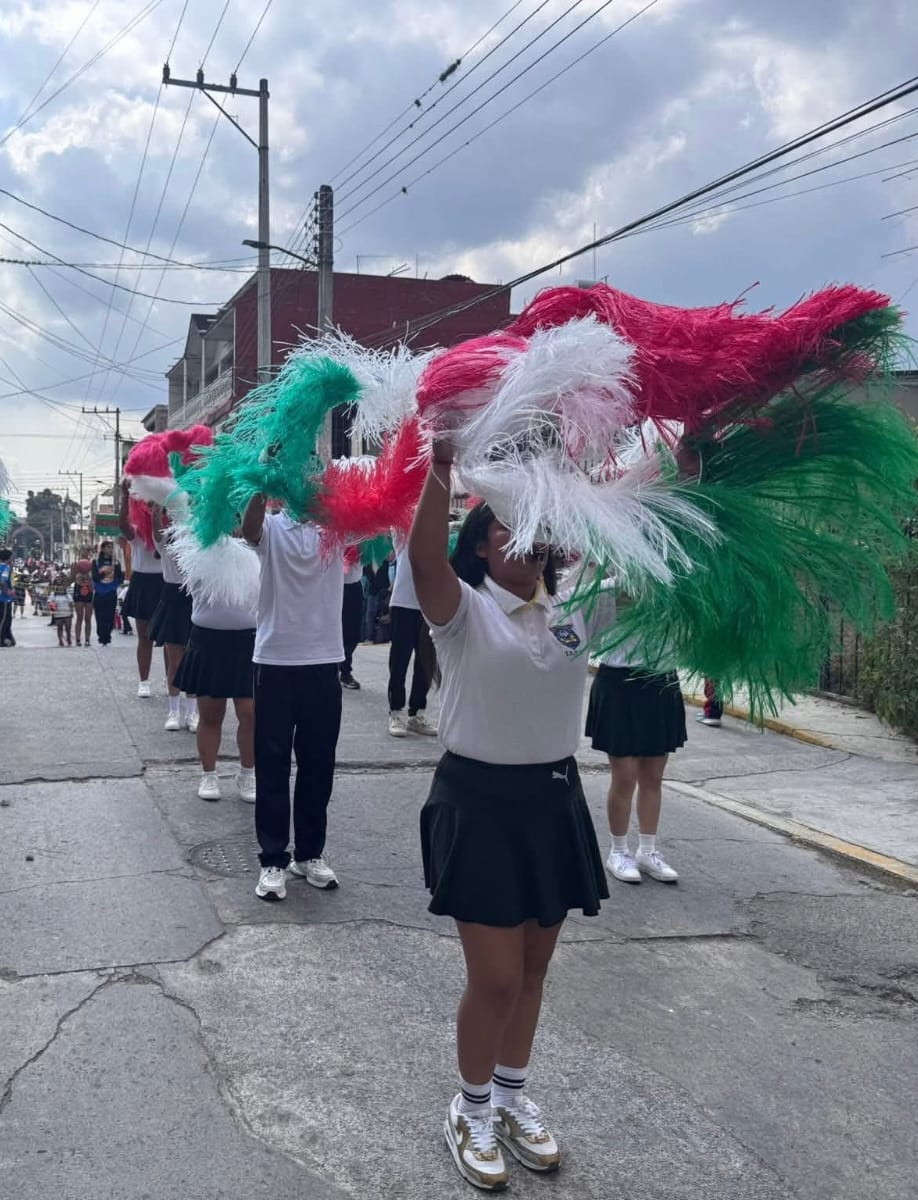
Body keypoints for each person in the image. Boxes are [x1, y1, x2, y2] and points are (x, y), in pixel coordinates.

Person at [409, 440, 608, 1191]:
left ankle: (515, 1097)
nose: (523, 541)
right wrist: (439, 470)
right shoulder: (462, 612)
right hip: (479, 803)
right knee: (492, 977)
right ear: (484, 547)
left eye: (534, 530)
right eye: (505, 529)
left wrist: (680, 467)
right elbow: (426, 559)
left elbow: (654, 555)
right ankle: (470, 1108)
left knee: (532, 971)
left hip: (554, 802)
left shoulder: (575, 609)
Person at [241, 495, 345, 901]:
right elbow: (249, 529)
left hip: (324, 661)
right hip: (275, 660)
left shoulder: (335, 526)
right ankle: (272, 859)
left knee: (319, 765)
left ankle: (309, 854)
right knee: (272, 763)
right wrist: (261, 481)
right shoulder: (272, 525)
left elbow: (374, 513)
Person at [586, 622, 688, 886]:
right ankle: (618, 851)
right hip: (620, 680)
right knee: (625, 775)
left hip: (661, 679)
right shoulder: (614, 584)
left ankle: (647, 850)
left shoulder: (678, 582)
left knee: (653, 776)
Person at [173, 547, 258, 803]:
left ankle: (248, 772)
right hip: (208, 640)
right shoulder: (197, 551)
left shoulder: (258, 550)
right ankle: (208, 773)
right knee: (211, 714)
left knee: (251, 712)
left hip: (248, 641)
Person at [148, 518, 197, 731]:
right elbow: (156, 528)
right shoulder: (166, 537)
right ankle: (174, 711)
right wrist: (158, 503)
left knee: (193, 661)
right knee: (175, 661)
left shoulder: (199, 537)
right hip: (172, 598)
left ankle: (192, 713)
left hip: (195, 598)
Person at [386, 543, 438, 738]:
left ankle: (417, 713)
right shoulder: (403, 533)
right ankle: (396, 712)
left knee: (426, 662)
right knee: (399, 660)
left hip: (428, 604)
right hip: (403, 603)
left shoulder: (438, 532)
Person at [118, 482, 164, 697]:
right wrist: (125, 496)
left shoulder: (169, 531)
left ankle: (169, 679)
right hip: (143, 583)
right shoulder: (137, 532)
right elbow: (123, 525)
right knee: (144, 637)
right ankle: (144, 681)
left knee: (169, 638)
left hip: (167, 583)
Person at [91, 540, 124, 646]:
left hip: (111, 592)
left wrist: (116, 584)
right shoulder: (96, 562)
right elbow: (95, 578)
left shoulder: (115, 562)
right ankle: (101, 637)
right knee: (100, 616)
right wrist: (105, 573)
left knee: (110, 616)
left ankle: (107, 636)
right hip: (99, 593)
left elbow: (120, 577)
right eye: (108, 547)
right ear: (103, 549)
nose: (110, 550)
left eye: (111, 548)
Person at [339, 553, 364, 690]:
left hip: (354, 586)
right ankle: (343, 670)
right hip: (334, 585)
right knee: (335, 631)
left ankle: (344, 669)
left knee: (354, 633)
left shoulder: (364, 537)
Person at [0, 549, 17, 647]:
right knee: (4, 620)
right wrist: (8, 591)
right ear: (9, 558)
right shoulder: (6, 568)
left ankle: (1, 639)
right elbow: (3, 581)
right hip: (4, 598)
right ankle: (0, 640)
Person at [72, 559, 94, 647]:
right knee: (79, 618)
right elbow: (70, 579)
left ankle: (87, 640)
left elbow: (92, 588)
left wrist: (89, 581)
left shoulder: (91, 574)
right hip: (79, 596)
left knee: (88, 619)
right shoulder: (76, 573)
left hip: (89, 596)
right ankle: (78, 640)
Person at [49, 569, 73, 646]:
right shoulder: (53, 594)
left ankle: (68, 638)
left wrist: (71, 612)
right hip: (58, 614)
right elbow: (50, 603)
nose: (60, 587)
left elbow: (71, 603)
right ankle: (60, 640)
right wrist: (53, 612)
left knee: (68, 628)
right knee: (59, 628)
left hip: (67, 613)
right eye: (58, 585)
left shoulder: (67, 593)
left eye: (61, 585)